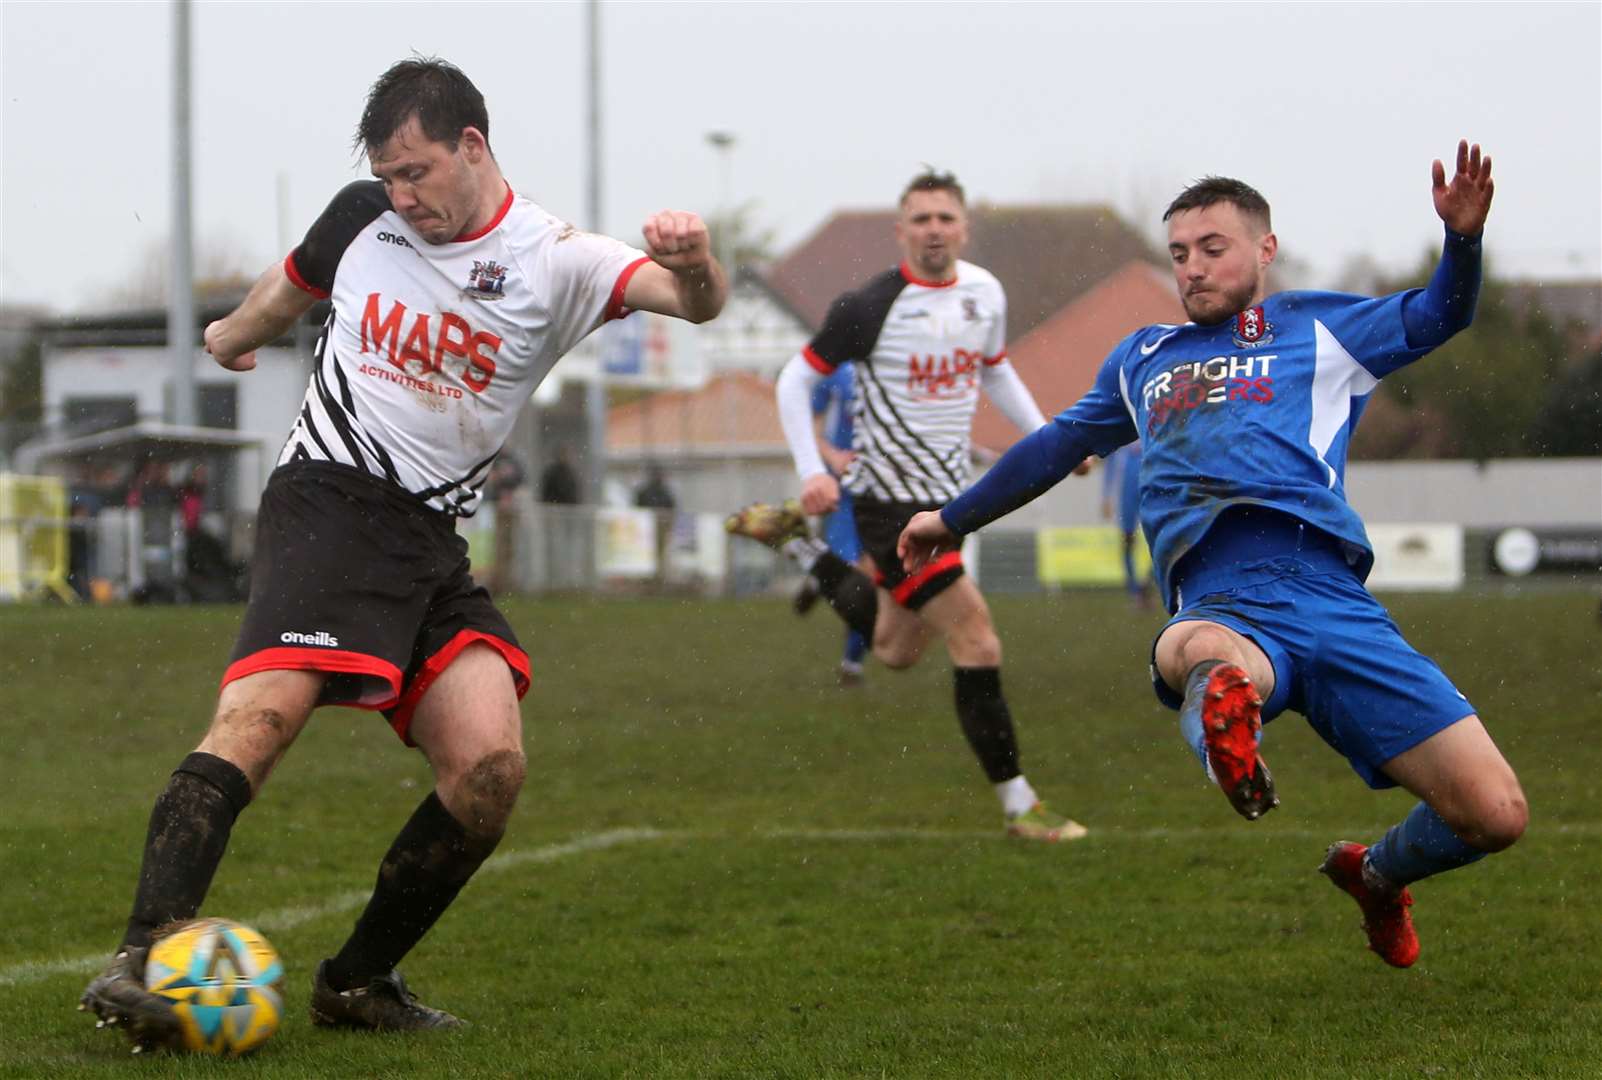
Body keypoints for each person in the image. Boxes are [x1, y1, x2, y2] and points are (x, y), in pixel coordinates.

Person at [79, 56, 725, 1049]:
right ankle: (138, 958)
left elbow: (694, 305)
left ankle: (358, 981)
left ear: (474, 145)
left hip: (428, 539)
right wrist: (228, 337)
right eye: (388, 175)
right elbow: (286, 291)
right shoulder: (361, 218)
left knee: (490, 769)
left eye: (416, 171)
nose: (402, 196)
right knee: (264, 714)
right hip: (326, 500)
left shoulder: (555, 259)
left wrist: (693, 262)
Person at [899, 142, 1526, 967]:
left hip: (1333, 598)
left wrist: (1464, 242)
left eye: (1212, 248)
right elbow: (1054, 446)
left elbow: (1441, 313)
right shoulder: (1144, 359)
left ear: (1265, 248)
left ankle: (1375, 874)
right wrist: (953, 517)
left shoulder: (1320, 329)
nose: (1191, 268)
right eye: (1179, 255)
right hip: (1225, 598)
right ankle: (1226, 731)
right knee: (1198, 653)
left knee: (1494, 813)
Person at [726, 170, 1086, 842]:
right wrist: (811, 470)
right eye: (920, 219)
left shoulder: (984, 294)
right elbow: (795, 379)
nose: (933, 230)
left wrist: (1049, 440)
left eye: (945, 218)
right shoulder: (870, 306)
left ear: (964, 227)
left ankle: (801, 548)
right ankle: (1021, 806)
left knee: (893, 649)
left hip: (952, 503)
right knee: (976, 635)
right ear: (901, 232)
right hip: (888, 508)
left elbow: (995, 369)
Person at [791, 361, 871, 687]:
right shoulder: (839, 371)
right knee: (855, 577)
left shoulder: (901, 364)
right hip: (846, 493)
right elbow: (811, 425)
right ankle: (824, 574)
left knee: (875, 582)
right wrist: (832, 456)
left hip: (885, 493)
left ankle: (819, 578)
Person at [1099, 441, 1155, 608]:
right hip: (1127, 493)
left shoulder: (1152, 424)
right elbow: (1110, 465)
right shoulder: (1120, 431)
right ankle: (1135, 592)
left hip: (1150, 489)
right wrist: (1106, 496)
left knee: (1159, 541)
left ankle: (1148, 583)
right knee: (1128, 540)